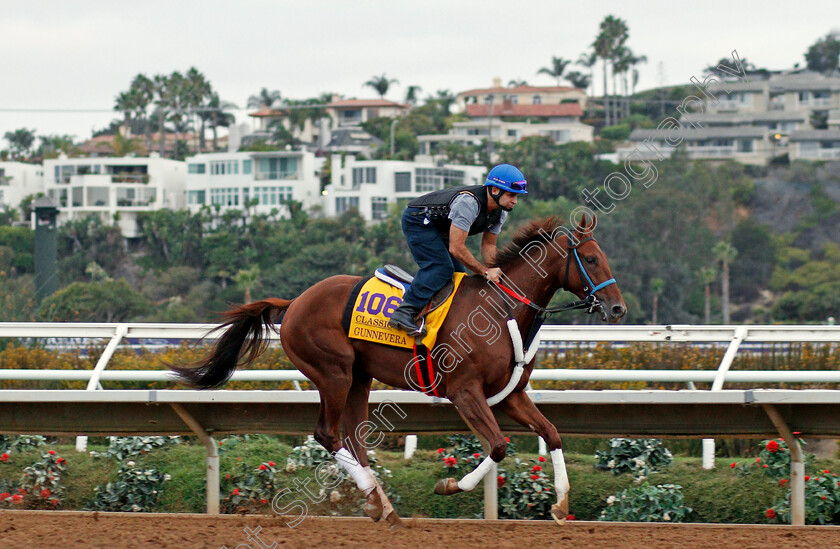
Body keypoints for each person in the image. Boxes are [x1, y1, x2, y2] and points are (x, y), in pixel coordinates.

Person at [388, 163, 527, 335]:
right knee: (441, 268)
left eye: (517, 196)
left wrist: (495, 275)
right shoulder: (469, 203)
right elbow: (456, 248)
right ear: (495, 190)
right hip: (418, 221)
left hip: (441, 229)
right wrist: (484, 272)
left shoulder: (501, 211)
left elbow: (489, 245)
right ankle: (404, 312)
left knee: (458, 276)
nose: (515, 201)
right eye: (511, 195)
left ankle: (437, 318)